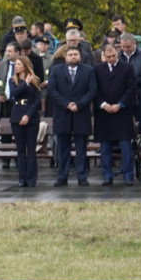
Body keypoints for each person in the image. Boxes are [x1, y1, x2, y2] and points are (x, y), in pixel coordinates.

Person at [47, 46, 97, 186]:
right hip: (63, 114)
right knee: (63, 148)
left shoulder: (88, 70)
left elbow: (92, 91)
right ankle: (62, 176)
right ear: (65, 57)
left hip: (81, 113)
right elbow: (52, 89)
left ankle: (82, 177)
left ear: (80, 56)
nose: (73, 56)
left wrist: (79, 105)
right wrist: (67, 104)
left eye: (76, 54)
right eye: (70, 54)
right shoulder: (56, 70)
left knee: (81, 149)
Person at [93, 44, 137, 186]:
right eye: (108, 57)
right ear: (104, 56)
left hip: (122, 113)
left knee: (126, 147)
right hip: (104, 114)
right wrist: (103, 104)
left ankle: (128, 176)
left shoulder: (127, 67)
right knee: (105, 148)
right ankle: (107, 176)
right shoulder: (97, 69)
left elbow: (131, 89)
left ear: (117, 54)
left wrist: (119, 104)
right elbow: (94, 90)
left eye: (113, 56)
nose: (112, 59)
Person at [9, 55, 41, 187]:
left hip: (31, 117)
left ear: (25, 65)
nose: (16, 66)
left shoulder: (35, 80)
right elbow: (14, 94)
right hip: (17, 116)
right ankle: (22, 178)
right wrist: (25, 83)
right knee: (20, 149)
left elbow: (37, 101)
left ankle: (31, 178)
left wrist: (28, 116)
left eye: (18, 64)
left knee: (31, 149)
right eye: (15, 64)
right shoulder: (13, 80)